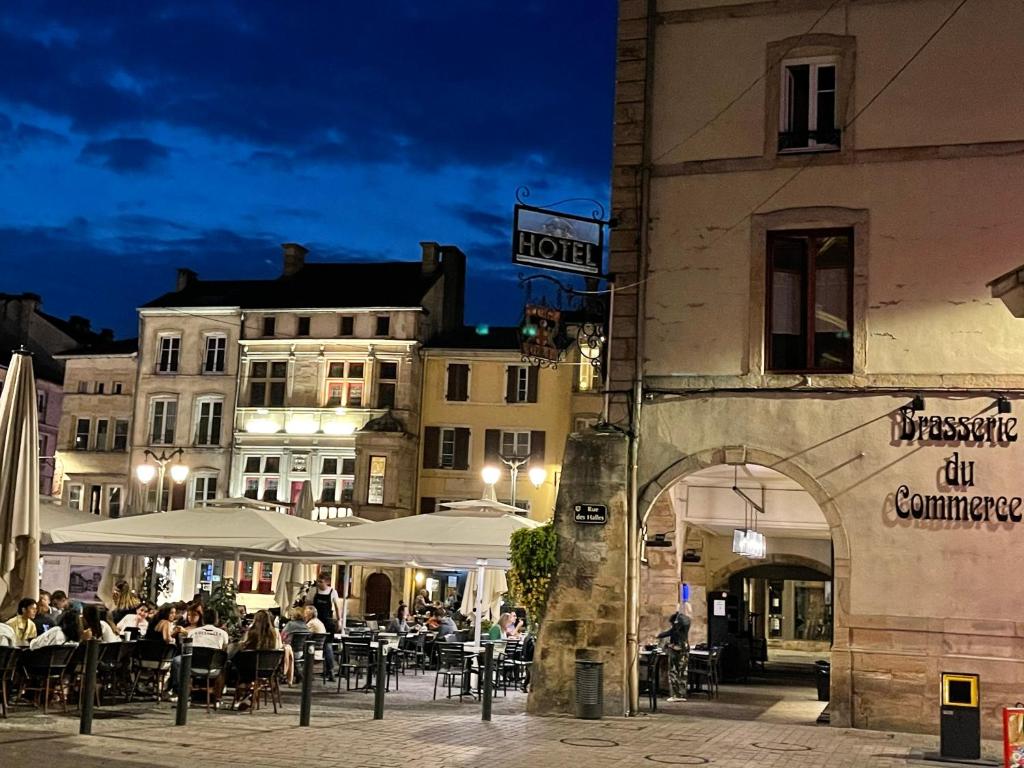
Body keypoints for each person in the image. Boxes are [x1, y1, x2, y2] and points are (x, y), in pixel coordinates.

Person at [657, 603, 692, 703]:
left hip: (677, 650)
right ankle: (681, 693)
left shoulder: (677, 628)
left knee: (674, 672)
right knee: (682, 672)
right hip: (685, 649)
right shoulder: (686, 623)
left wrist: (661, 637)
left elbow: (671, 632)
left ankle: (676, 694)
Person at [303, 605, 335, 682]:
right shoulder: (318, 622)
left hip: (311, 653)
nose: (304, 615)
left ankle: (299, 675)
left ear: (310, 615)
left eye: (305, 613)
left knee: (294, 650)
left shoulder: (311, 623)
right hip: (319, 652)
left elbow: (304, 635)